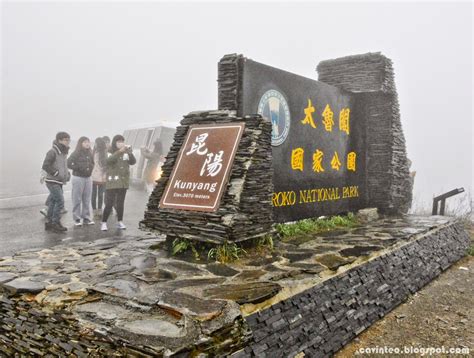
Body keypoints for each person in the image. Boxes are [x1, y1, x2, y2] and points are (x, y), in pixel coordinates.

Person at [101, 135, 136, 231]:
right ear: (114, 142)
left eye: (122, 141)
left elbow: (133, 162)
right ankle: (104, 222)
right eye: (118, 141)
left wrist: (130, 153)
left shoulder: (126, 152)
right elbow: (108, 161)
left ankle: (120, 221)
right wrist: (119, 152)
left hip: (123, 182)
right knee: (109, 203)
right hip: (112, 181)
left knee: (120, 203)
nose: (121, 143)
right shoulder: (109, 152)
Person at [41, 132, 71, 233]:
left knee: (53, 201)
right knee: (60, 201)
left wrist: (67, 174)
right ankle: (55, 222)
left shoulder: (63, 152)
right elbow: (46, 165)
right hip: (52, 180)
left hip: (59, 181)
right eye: (65, 140)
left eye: (68, 140)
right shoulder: (53, 151)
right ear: (59, 140)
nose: (68, 142)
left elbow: (63, 166)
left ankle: (50, 223)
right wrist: (56, 173)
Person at [67, 136, 95, 226]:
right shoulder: (76, 152)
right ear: (80, 143)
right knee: (77, 198)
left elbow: (93, 163)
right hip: (78, 178)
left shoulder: (91, 153)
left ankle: (86, 218)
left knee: (86, 199)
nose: (87, 143)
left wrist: (91, 168)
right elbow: (68, 163)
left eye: (88, 142)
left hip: (88, 178)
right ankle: (77, 219)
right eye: (85, 142)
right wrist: (78, 168)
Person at [91, 137, 107, 218]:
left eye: (96, 142)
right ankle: (94, 210)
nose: (95, 144)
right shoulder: (93, 151)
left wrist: (104, 175)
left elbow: (106, 166)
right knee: (93, 194)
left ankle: (100, 209)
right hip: (94, 175)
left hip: (101, 175)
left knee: (100, 194)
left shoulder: (104, 153)